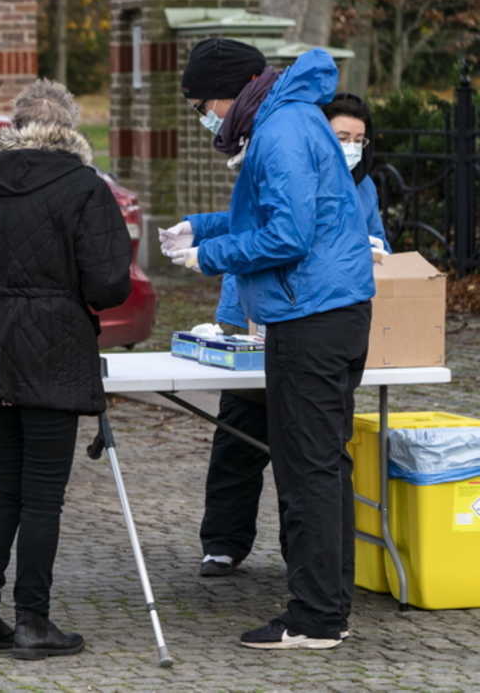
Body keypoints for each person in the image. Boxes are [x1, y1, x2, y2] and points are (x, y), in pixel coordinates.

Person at [165, 38, 375, 650]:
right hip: (328, 308)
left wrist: (210, 256)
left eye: (203, 103)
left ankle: (314, 619)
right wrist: (200, 227)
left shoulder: (280, 130)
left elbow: (286, 234)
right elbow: (269, 213)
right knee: (324, 466)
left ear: (229, 93)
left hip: (310, 313)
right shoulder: (293, 115)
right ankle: (330, 606)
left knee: (307, 470)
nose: (206, 116)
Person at [0, 80, 132, 660]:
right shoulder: (82, 187)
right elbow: (108, 283)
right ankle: (32, 621)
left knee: (5, 487)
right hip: (52, 346)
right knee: (43, 496)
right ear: (69, 128)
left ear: (15, 125)